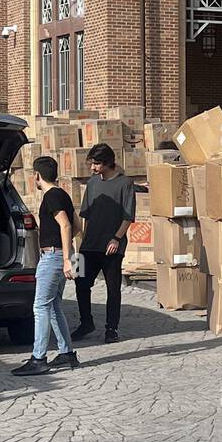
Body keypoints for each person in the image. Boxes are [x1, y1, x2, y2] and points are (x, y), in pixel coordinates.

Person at [13, 157, 79, 376]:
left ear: (37, 176)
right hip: (59, 256)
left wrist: (67, 259)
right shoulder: (64, 195)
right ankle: (66, 353)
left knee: (40, 307)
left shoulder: (51, 197)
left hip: (53, 257)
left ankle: (38, 357)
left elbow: (67, 225)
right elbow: (77, 226)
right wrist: (68, 256)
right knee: (54, 306)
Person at [71, 144, 136, 344]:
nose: (92, 168)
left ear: (108, 163)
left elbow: (128, 217)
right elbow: (86, 217)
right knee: (80, 283)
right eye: (92, 164)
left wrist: (116, 238)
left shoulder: (125, 184)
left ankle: (111, 329)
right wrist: (80, 245)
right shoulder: (91, 184)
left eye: (96, 164)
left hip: (112, 247)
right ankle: (86, 323)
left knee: (113, 289)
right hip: (88, 246)